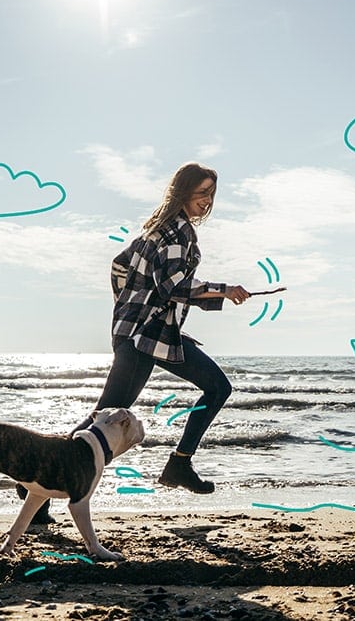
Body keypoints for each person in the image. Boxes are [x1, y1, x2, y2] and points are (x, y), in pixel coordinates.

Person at [23, 163, 249, 523]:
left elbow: (119, 266)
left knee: (215, 387)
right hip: (144, 337)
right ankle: (37, 483)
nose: (207, 201)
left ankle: (178, 465)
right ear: (183, 191)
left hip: (148, 334)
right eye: (201, 192)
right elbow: (173, 287)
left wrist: (128, 306)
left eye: (211, 194)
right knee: (106, 415)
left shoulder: (154, 230)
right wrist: (225, 290)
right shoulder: (179, 232)